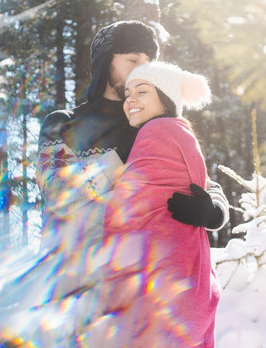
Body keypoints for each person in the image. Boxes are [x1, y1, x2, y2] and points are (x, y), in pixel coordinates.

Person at [36, 20, 229, 267]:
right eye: (133, 60)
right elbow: (56, 193)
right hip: (67, 280)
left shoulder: (158, 126)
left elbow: (205, 183)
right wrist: (120, 160)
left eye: (148, 64)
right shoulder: (62, 123)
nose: (141, 70)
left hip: (133, 283)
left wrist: (213, 211)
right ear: (106, 61)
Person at [102, 61, 220, 347]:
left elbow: (128, 208)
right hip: (189, 280)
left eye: (142, 91)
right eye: (128, 92)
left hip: (163, 283)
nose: (130, 99)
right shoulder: (179, 132)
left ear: (166, 98)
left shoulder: (160, 132)